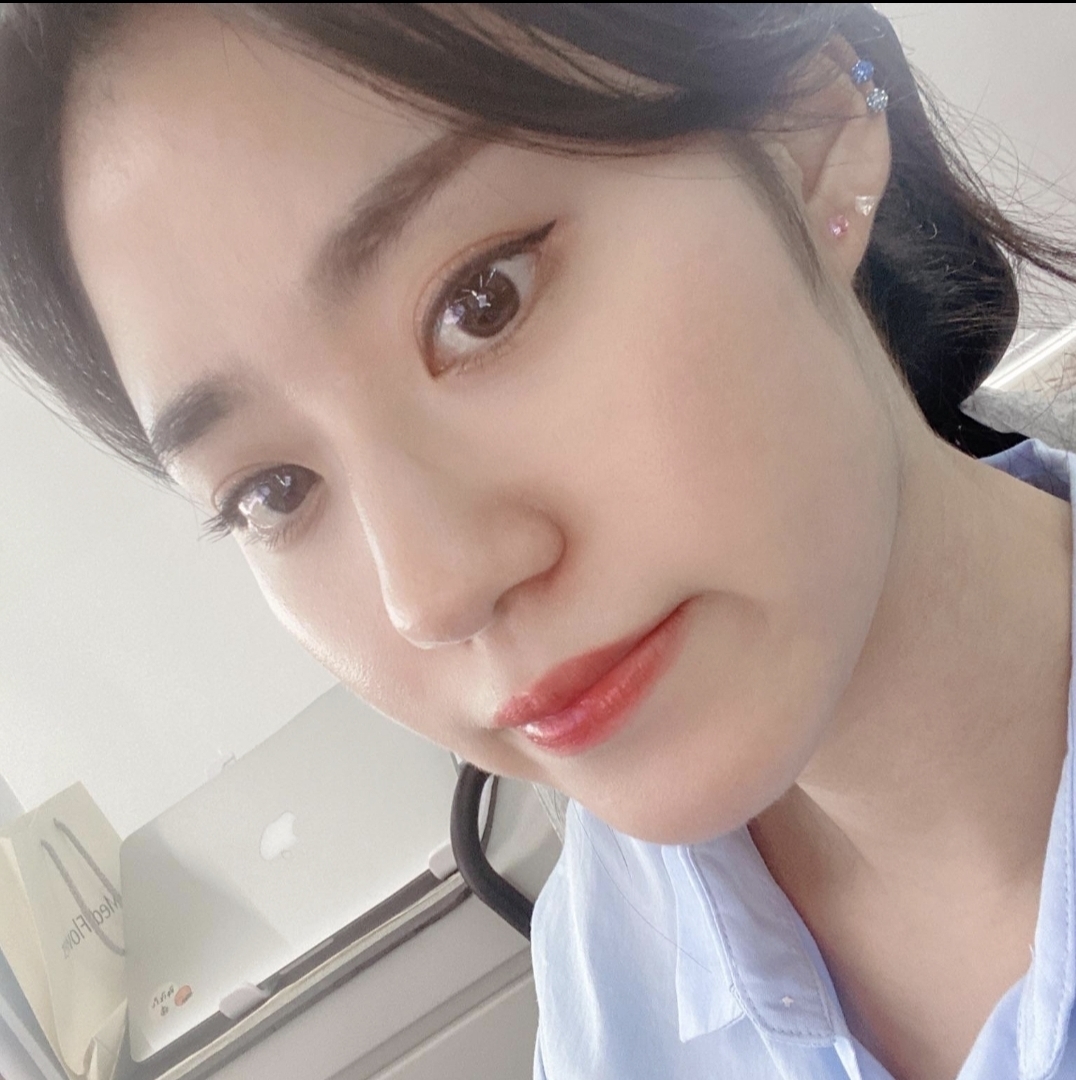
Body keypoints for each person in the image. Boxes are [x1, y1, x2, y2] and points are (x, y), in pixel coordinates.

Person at [0, 4, 1074, 1078]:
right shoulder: (607, 960)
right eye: (271, 491)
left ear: (807, 129)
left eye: (484, 301)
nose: (432, 592)